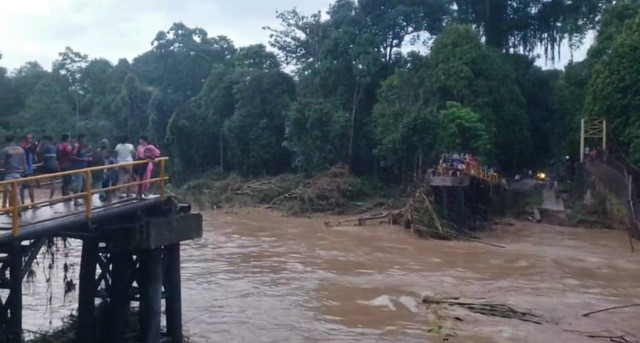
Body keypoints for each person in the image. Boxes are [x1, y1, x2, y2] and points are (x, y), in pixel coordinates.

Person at [0, 135, 27, 208]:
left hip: (9, 174)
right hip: (20, 174)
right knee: (16, 192)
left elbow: (1, 163)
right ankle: (13, 210)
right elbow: (24, 163)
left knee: (13, 193)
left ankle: (17, 209)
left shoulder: (5, 150)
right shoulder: (21, 150)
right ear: (14, 140)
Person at [70, 134, 92, 206]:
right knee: (78, 185)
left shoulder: (83, 147)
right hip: (78, 168)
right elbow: (72, 156)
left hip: (84, 168)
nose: (85, 141)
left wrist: (88, 156)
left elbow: (82, 155)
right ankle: (76, 201)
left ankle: (85, 199)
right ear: (80, 139)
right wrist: (83, 159)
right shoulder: (76, 146)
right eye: (84, 139)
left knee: (87, 183)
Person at [20, 133, 36, 205]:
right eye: (29, 138)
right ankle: (23, 204)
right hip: (25, 171)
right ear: (25, 139)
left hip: (29, 169)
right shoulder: (25, 147)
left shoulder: (30, 148)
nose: (30, 139)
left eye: (31, 138)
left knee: (30, 187)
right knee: (23, 188)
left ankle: (32, 203)